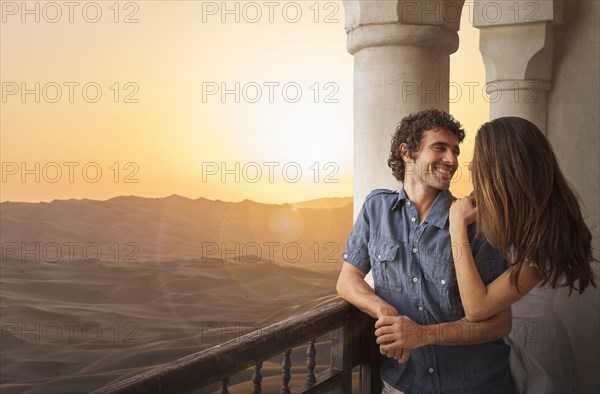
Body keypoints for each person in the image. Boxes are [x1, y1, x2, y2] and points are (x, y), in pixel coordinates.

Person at [336, 109, 517, 394]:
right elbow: (347, 280)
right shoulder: (376, 208)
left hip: (475, 386)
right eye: (440, 148)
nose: (452, 160)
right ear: (407, 152)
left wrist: (421, 335)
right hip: (402, 384)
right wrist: (384, 311)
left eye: (455, 151)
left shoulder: (476, 224)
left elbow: (498, 324)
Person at [449, 116, 597, 394]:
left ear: (503, 168)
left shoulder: (544, 237)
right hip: (506, 343)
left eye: (479, 161)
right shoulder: (511, 218)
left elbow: (478, 307)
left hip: (531, 351)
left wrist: (456, 226)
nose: (470, 167)